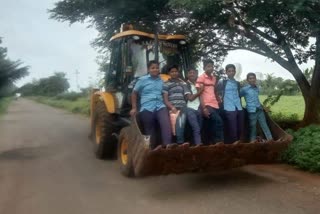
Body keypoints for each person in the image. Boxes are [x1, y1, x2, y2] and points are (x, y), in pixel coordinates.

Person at [130, 60, 172, 149]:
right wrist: (134, 108)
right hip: (146, 107)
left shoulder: (162, 81)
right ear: (148, 69)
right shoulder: (142, 80)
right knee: (149, 130)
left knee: (166, 125)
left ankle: (167, 146)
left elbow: (166, 92)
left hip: (160, 106)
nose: (155, 69)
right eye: (152, 68)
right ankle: (150, 149)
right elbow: (134, 93)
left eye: (157, 68)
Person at [196, 59, 224, 144]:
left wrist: (219, 99)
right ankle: (219, 142)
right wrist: (204, 108)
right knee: (218, 121)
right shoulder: (201, 78)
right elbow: (199, 94)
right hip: (207, 104)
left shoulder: (214, 78)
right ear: (204, 68)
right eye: (208, 66)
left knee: (212, 124)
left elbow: (214, 91)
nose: (210, 68)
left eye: (212, 66)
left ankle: (212, 143)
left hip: (215, 104)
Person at [240, 72, 273, 142]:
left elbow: (257, 100)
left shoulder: (256, 88)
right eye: (250, 78)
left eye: (253, 78)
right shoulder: (244, 89)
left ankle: (271, 141)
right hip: (251, 112)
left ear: (255, 79)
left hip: (259, 110)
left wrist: (264, 107)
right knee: (253, 128)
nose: (252, 80)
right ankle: (252, 142)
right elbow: (238, 97)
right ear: (247, 80)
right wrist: (241, 107)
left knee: (265, 126)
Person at [163, 65, 190, 146]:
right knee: (173, 126)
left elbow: (186, 96)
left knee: (181, 123)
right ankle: (177, 143)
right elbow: (165, 99)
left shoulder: (183, 83)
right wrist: (172, 107)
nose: (174, 73)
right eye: (172, 71)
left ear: (178, 72)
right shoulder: (166, 84)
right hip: (171, 107)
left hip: (182, 107)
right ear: (169, 73)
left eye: (176, 71)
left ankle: (180, 143)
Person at [217, 64, 244, 144]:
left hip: (238, 107)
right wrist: (220, 101)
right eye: (229, 71)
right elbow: (217, 92)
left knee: (240, 127)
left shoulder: (237, 83)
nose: (231, 73)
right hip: (228, 107)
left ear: (235, 72)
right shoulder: (222, 82)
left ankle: (239, 143)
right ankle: (233, 144)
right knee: (232, 128)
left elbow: (239, 94)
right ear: (226, 72)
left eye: (233, 71)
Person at [185, 68, 203, 146]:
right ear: (187, 75)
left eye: (194, 73)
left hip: (199, 108)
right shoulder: (185, 85)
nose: (192, 74)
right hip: (190, 108)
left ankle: (195, 144)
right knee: (196, 128)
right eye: (190, 73)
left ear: (196, 75)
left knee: (199, 128)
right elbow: (190, 98)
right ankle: (198, 146)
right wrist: (200, 91)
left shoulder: (198, 84)